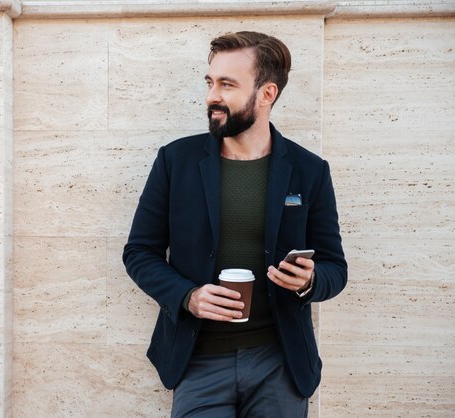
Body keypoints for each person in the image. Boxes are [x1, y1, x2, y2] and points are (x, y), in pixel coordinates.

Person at [122, 31, 347, 417]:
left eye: (227, 84)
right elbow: (139, 253)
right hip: (198, 360)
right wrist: (187, 295)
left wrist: (309, 281)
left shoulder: (309, 171)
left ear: (267, 94)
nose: (212, 95)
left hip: (281, 362)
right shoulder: (175, 161)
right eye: (210, 82)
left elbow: (335, 269)